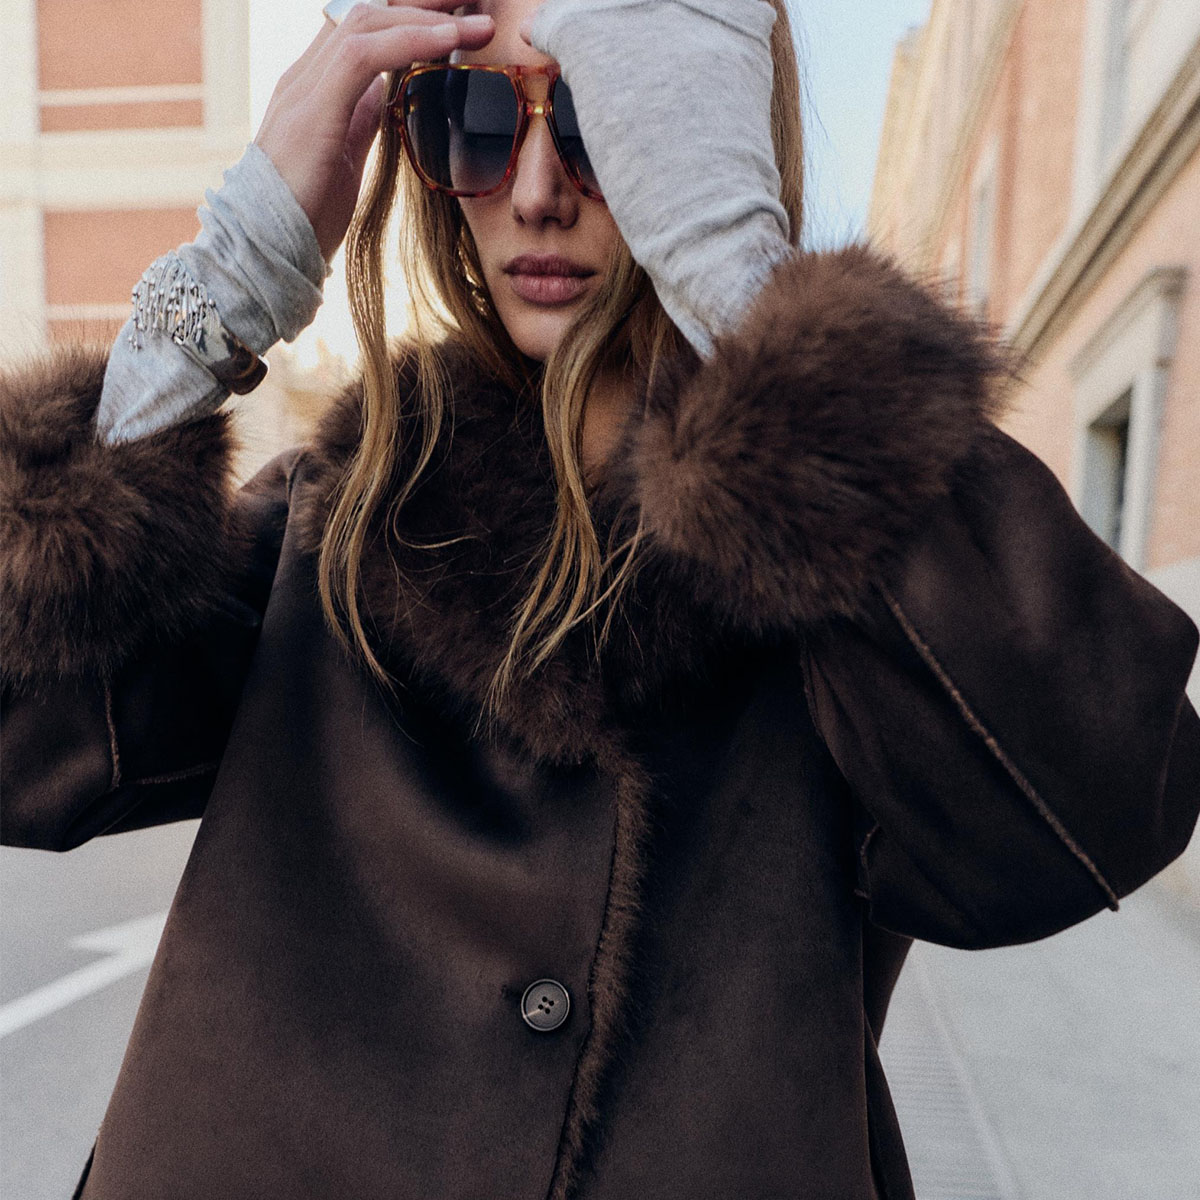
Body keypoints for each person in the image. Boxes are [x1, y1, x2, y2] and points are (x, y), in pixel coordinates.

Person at [2, 0, 1198, 1197]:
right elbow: (23, 737)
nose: (533, 190)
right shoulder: (339, 512)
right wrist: (219, 286)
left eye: (602, 117)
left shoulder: (850, 554)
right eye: (468, 117)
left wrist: (743, 283)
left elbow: (1087, 813)